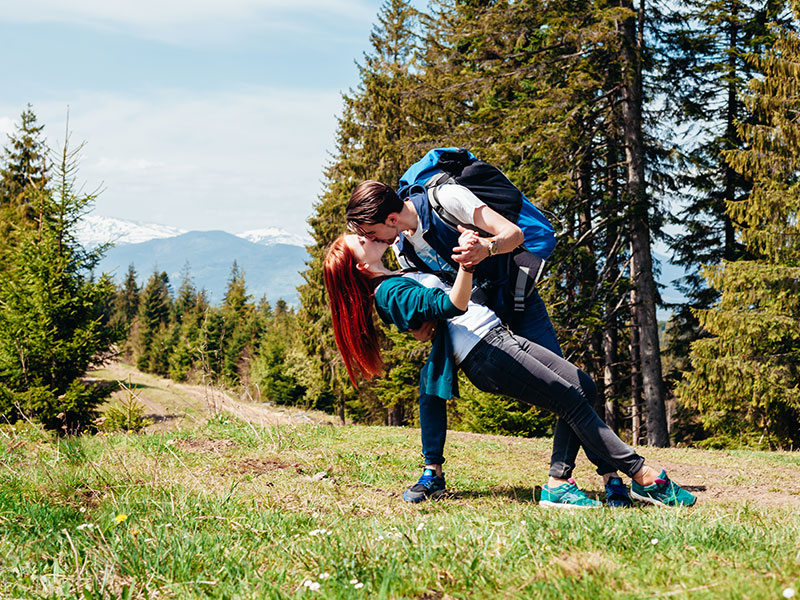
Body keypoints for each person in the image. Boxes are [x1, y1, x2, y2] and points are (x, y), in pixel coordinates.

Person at [322, 232, 696, 507]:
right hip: (484, 353)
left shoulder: (398, 276)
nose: (365, 234)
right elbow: (452, 305)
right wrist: (465, 266)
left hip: (497, 338)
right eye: (359, 239)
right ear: (360, 264)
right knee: (569, 398)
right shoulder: (389, 293)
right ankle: (641, 475)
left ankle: (559, 481)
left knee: (581, 384)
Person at [346, 180, 629, 507]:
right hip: (474, 311)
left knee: (570, 384)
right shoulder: (400, 246)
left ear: (391, 220)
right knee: (431, 381)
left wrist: (488, 248)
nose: (370, 239)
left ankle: (609, 476)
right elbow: (427, 288)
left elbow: (514, 234)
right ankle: (434, 471)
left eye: (370, 232)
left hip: (515, 296)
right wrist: (419, 324)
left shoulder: (447, 199)